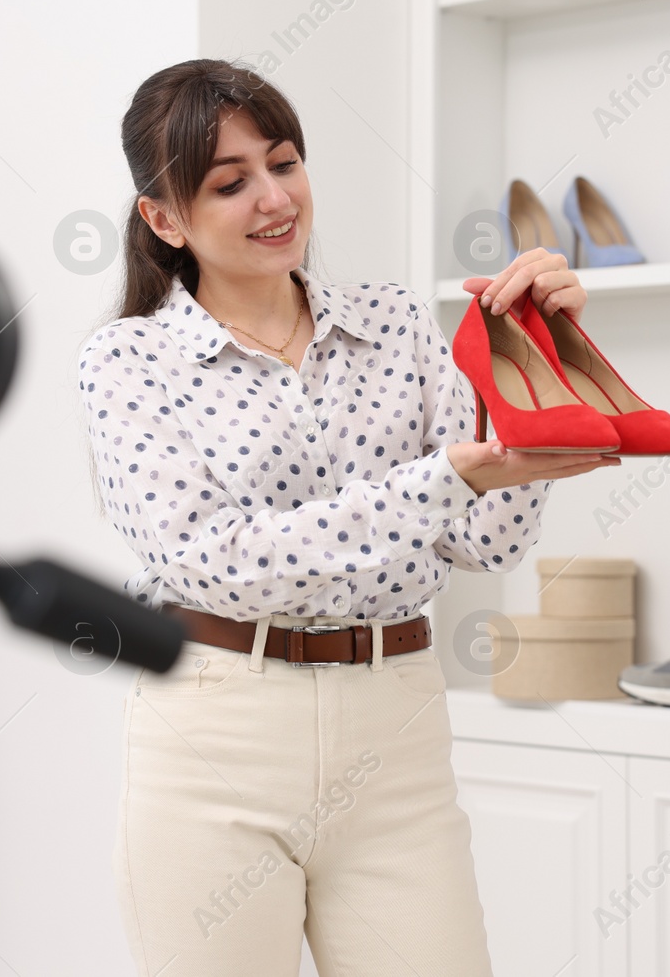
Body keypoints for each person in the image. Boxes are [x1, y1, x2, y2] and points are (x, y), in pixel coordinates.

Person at [77, 58, 617, 977]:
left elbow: (487, 535)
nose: (273, 197)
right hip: (215, 737)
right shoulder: (128, 363)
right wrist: (443, 478)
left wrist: (538, 361)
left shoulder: (395, 325)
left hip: (396, 724)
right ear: (163, 220)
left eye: (284, 163)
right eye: (230, 182)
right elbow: (221, 560)